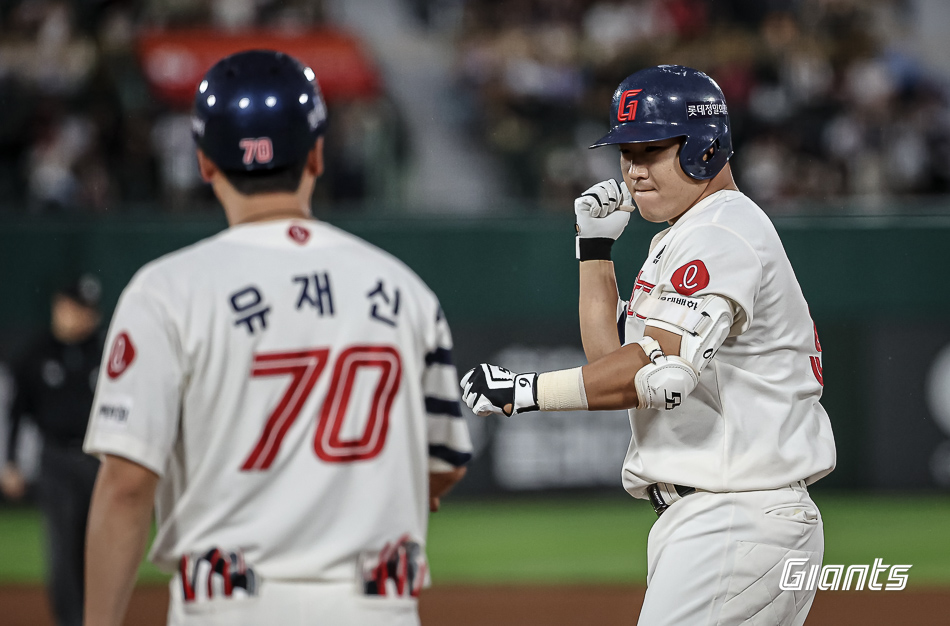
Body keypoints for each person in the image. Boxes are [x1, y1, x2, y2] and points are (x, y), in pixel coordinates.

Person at [83, 50, 472, 626]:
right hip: (375, 605)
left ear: (205, 162)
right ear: (316, 153)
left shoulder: (166, 290)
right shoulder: (403, 290)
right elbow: (443, 463)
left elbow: (125, 485)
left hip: (228, 605)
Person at [460, 65, 836, 626]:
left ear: (705, 149)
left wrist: (527, 390)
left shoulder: (720, 231)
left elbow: (651, 371)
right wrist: (593, 252)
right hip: (723, 517)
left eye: (650, 150)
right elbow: (612, 364)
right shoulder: (690, 232)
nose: (633, 170)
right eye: (625, 153)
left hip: (735, 515)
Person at [0, 275, 103, 626]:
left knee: (97, 545)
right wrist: (11, 462)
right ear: (60, 307)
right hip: (55, 460)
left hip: (97, 460)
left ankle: (97, 617)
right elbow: (16, 413)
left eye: (88, 310)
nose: (83, 317)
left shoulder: (103, 350)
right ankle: (70, 621)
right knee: (62, 548)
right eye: (77, 308)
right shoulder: (37, 352)